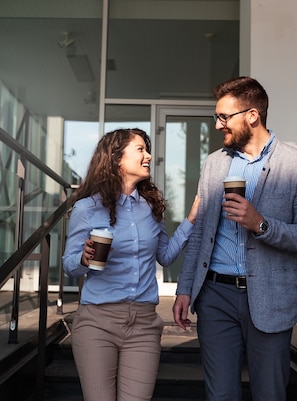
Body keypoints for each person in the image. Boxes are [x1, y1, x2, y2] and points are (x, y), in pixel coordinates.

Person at [172, 76, 297, 401]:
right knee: (220, 396)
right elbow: (201, 232)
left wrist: (261, 225)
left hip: (270, 298)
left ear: (252, 115)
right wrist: (185, 288)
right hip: (214, 296)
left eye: (224, 117)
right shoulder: (214, 164)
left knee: (270, 394)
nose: (217, 125)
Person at [62, 128, 199, 401]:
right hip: (97, 322)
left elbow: (165, 256)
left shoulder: (150, 208)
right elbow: (69, 264)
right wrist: (84, 259)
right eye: (140, 149)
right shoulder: (86, 208)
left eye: (146, 150)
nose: (148, 155)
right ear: (116, 159)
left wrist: (191, 219)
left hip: (144, 325)